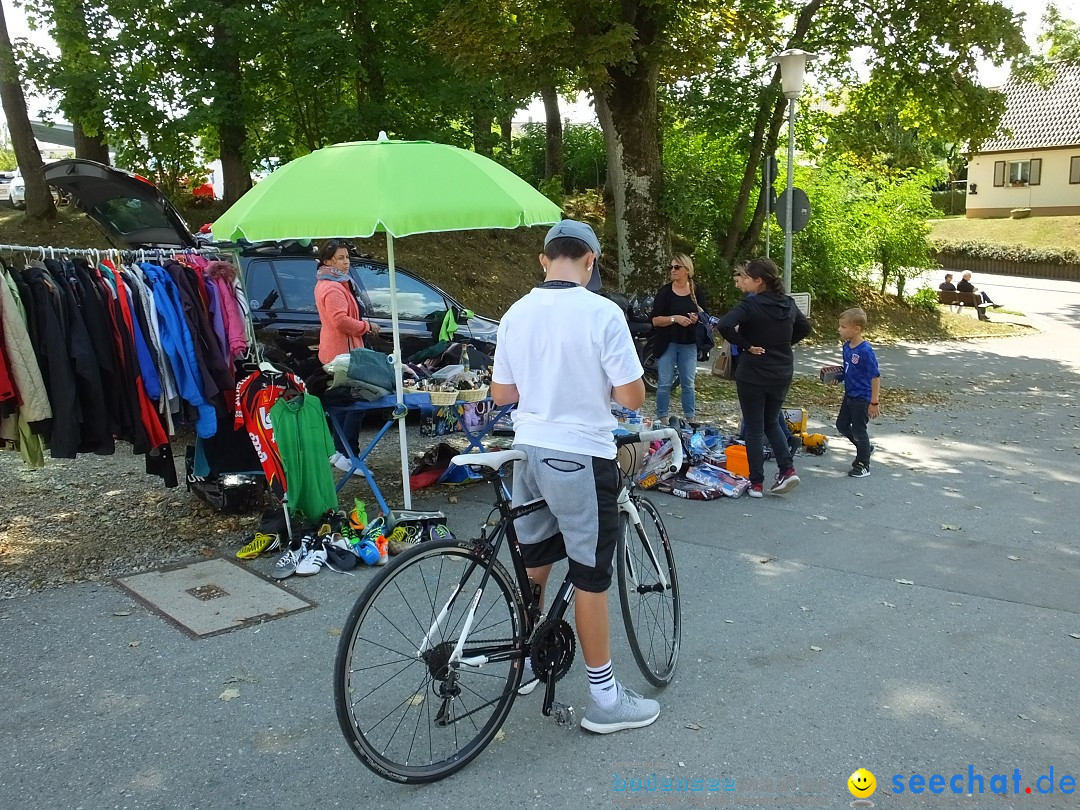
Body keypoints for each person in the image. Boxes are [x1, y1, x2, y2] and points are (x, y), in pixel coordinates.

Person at [491, 219, 659, 734]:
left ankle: (523, 661)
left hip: (526, 452)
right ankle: (605, 699)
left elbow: (502, 396)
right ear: (590, 262)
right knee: (589, 574)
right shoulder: (602, 312)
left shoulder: (516, 312)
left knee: (534, 560)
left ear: (545, 260)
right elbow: (631, 397)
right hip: (580, 456)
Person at [717, 258, 811, 498]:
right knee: (771, 421)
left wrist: (747, 345)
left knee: (754, 427)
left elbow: (725, 325)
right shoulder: (788, 304)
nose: (745, 280)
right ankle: (787, 469)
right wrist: (783, 344)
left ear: (759, 281)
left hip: (753, 372)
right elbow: (805, 328)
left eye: (748, 277)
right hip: (781, 371)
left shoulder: (750, 306)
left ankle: (756, 482)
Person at [314, 240, 381, 467]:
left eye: (347, 257)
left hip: (342, 351)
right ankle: (349, 454)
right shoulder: (332, 287)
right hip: (343, 355)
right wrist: (365, 327)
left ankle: (341, 451)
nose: (346, 262)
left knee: (345, 402)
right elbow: (340, 321)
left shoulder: (335, 283)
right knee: (356, 402)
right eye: (340, 258)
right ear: (327, 261)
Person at [650, 254, 708, 424]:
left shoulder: (697, 291)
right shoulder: (665, 292)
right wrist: (674, 318)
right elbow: (655, 320)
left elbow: (706, 316)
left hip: (689, 343)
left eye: (677, 267)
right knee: (664, 383)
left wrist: (696, 318)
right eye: (671, 267)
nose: (673, 271)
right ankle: (663, 418)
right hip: (667, 342)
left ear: (687, 270)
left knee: (688, 384)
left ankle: (690, 419)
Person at [833, 307, 881, 478]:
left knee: (860, 430)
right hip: (850, 394)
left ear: (856, 329)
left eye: (843, 327)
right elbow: (849, 370)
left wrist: (874, 402)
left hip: (862, 397)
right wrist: (837, 377)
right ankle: (865, 449)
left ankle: (863, 463)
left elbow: (875, 377)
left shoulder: (865, 350)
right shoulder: (847, 347)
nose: (839, 329)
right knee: (842, 425)